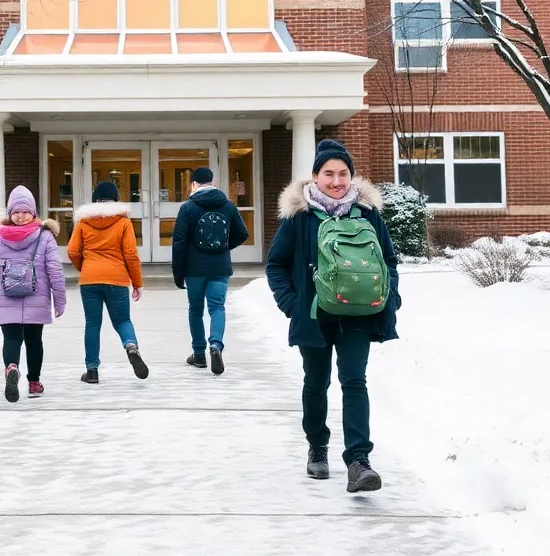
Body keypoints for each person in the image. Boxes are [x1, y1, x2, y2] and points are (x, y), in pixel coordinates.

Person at [266, 139, 401, 493]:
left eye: (343, 174)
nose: (337, 180)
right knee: (317, 383)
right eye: (329, 174)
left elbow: (388, 259)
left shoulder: (368, 214)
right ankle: (317, 446)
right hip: (314, 314)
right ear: (315, 176)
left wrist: (391, 297)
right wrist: (291, 304)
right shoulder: (300, 217)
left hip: (358, 313)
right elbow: (276, 264)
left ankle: (359, 461)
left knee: (355, 382)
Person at [0, 186, 67, 402]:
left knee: (11, 338)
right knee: (34, 341)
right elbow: (55, 270)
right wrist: (60, 300)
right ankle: (34, 383)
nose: (20, 216)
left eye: (24, 211)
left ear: (32, 213)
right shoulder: (45, 236)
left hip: (7, 297)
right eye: (17, 212)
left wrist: (4, 281)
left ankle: (11, 367)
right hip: (37, 298)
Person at [68, 181, 148, 384]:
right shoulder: (123, 223)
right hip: (117, 279)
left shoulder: (84, 222)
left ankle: (92, 370)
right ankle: (131, 346)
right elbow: (131, 254)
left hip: (90, 279)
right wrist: (137, 282)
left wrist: (85, 268)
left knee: (93, 324)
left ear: (95, 200)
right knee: (122, 320)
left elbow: (73, 251)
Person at [171, 166, 248, 375]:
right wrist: (223, 246)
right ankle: (216, 346)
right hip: (219, 267)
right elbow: (242, 233)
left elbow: (179, 241)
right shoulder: (228, 206)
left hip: (194, 269)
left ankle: (198, 355)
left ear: (193, 184)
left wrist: (178, 272)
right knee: (217, 308)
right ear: (212, 182)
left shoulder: (188, 208)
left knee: (195, 309)